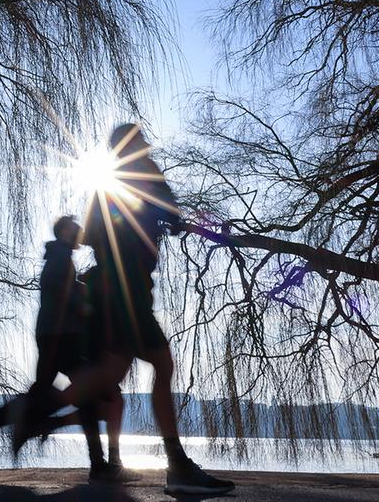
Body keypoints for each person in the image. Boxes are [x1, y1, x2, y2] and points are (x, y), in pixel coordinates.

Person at [17, 123, 235, 495]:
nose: (146, 145)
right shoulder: (144, 173)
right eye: (140, 141)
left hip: (118, 290)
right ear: (131, 146)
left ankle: (35, 413)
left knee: (110, 371)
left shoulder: (105, 187)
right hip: (128, 292)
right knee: (161, 365)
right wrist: (173, 220)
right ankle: (177, 464)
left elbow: (95, 234)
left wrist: (162, 222)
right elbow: (165, 211)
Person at [0, 216, 124, 482]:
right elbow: (56, 286)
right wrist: (84, 304)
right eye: (75, 227)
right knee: (85, 391)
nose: (80, 231)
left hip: (55, 334)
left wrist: (80, 288)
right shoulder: (60, 256)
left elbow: (60, 286)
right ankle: (97, 464)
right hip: (62, 335)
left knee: (45, 394)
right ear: (64, 230)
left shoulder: (60, 256)